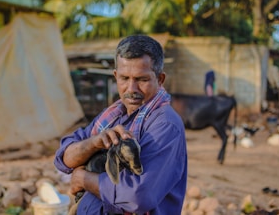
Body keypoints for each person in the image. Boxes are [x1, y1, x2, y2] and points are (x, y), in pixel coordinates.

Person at [54, 35, 187, 214]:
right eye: (124, 78)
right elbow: (65, 158)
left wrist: (84, 179)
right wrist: (94, 143)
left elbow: (138, 196)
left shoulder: (165, 125)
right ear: (115, 76)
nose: (131, 89)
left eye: (142, 80)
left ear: (160, 79)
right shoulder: (113, 115)